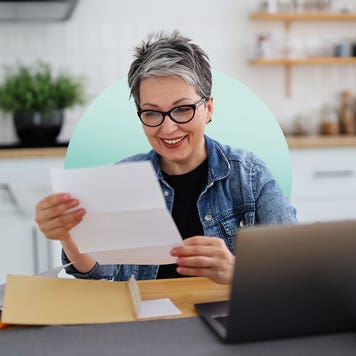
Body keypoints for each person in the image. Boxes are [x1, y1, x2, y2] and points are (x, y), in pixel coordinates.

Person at [35, 31, 297, 285]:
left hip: (226, 320)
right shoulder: (122, 179)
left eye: (182, 109)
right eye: (151, 113)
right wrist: (68, 235)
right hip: (143, 321)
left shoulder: (249, 175)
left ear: (208, 109)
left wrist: (237, 271)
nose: (168, 128)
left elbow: (295, 266)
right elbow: (99, 272)